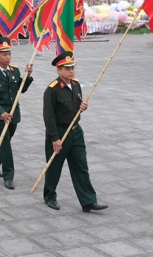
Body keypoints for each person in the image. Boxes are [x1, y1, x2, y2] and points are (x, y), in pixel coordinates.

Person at [42, 51, 107, 213]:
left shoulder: (76, 84)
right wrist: (55, 138)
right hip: (59, 133)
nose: (71, 71)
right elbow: (48, 116)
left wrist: (82, 108)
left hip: (76, 132)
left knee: (81, 166)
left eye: (72, 68)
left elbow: (75, 108)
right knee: (54, 167)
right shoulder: (52, 89)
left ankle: (88, 201)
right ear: (59, 70)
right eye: (67, 68)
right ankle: (50, 196)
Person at [0, 37, 33, 190]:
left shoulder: (15, 70)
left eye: (9, 54)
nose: (7, 57)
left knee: (5, 143)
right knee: (5, 146)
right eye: (4, 54)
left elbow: (20, 90)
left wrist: (27, 76)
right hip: (1, 117)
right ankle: (9, 175)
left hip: (14, 115)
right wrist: (1, 113)